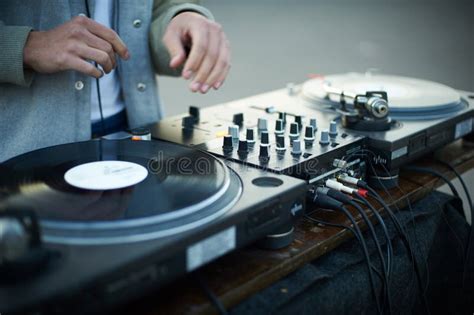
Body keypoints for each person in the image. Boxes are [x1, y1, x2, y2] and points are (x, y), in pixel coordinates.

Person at [0, 0, 231, 162]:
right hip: (24, 148)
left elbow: (160, 7)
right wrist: (27, 47)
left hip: (139, 128)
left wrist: (181, 17)